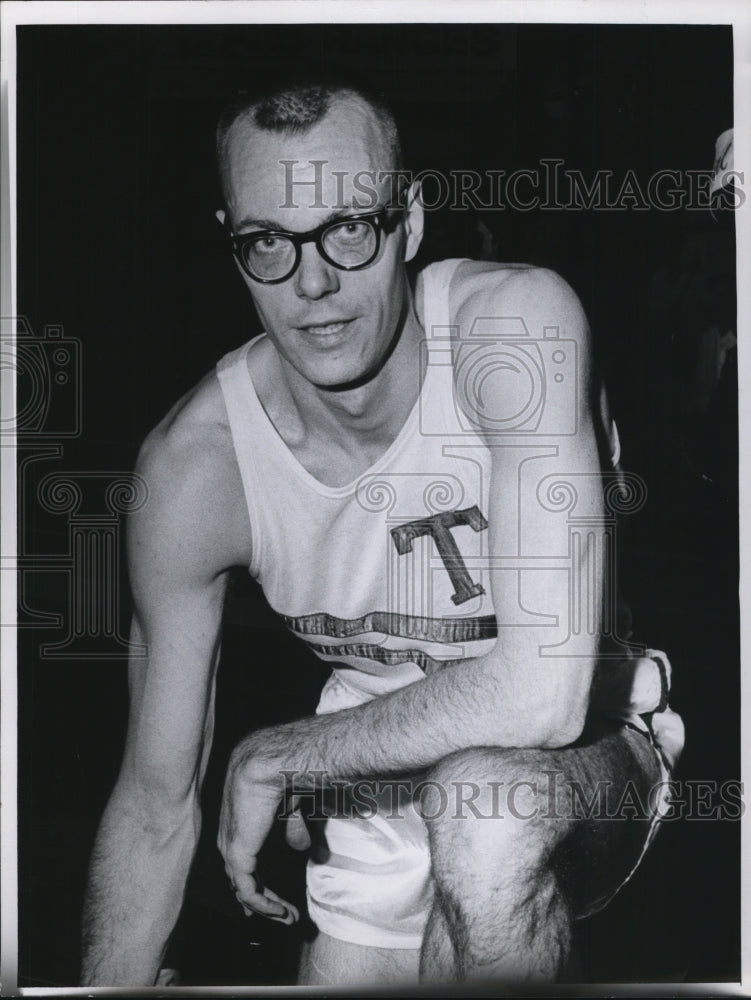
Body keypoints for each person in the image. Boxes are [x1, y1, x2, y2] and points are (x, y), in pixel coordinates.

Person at [81, 81, 684, 987]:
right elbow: (154, 799)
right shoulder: (194, 465)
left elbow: (543, 694)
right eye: (267, 244)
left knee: (482, 813)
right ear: (232, 246)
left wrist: (278, 755)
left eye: (348, 229)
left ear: (407, 221)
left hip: (572, 760)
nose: (312, 282)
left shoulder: (514, 329)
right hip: (364, 786)